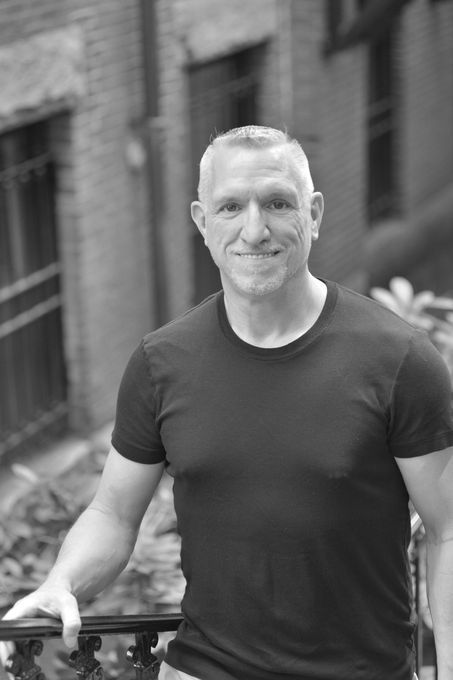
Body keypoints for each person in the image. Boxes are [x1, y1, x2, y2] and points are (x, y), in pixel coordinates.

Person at [2, 125, 453, 680]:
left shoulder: (399, 359)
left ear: (312, 214)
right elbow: (113, 514)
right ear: (202, 223)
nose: (254, 230)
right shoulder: (161, 363)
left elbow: (447, 529)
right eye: (231, 206)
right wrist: (61, 582)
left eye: (277, 203)